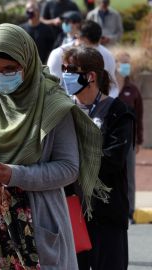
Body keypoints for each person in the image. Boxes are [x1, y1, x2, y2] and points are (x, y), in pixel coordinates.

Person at [0, 23, 108, 270]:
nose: (0, 76)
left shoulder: (53, 103)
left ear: (28, 64)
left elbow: (68, 168)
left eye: (10, 69)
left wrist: (14, 174)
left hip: (36, 223)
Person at [62, 46, 134, 270]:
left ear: (90, 76)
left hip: (107, 215)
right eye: (64, 68)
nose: (65, 74)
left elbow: (113, 159)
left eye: (72, 69)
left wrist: (70, 162)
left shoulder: (117, 112)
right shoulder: (63, 111)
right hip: (72, 213)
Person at [47, 20, 119, 97]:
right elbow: (52, 87)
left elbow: (112, 87)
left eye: (96, 46)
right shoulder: (58, 55)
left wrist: (106, 104)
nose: (92, 51)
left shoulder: (107, 55)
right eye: (87, 46)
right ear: (78, 37)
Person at [115, 51, 144, 221]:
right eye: (123, 62)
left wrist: (139, 139)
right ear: (116, 64)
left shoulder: (133, 90)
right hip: (111, 140)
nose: (127, 65)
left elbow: (139, 117)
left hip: (129, 141)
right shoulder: (109, 88)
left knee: (129, 177)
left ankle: (130, 210)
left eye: (129, 62)